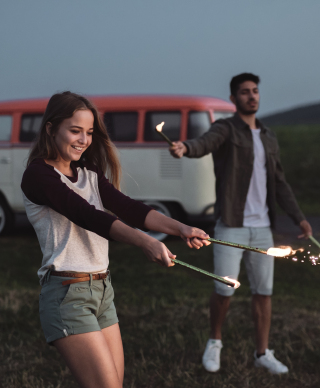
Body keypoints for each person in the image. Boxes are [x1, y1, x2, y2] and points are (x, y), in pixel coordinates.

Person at [21, 91, 210, 388]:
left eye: (89, 133)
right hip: (67, 293)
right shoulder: (38, 176)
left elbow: (128, 207)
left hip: (102, 291)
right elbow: (88, 215)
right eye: (75, 131)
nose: (84, 140)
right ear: (50, 128)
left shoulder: (88, 171)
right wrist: (145, 242)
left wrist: (181, 228)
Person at [169, 73, 313, 375]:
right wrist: (185, 148)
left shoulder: (268, 136)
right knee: (224, 289)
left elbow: (280, 182)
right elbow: (204, 143)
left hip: (262, 229)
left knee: (264, 291)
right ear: (234, 100)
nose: (252, 96)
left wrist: (298, 217)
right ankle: (215, 341)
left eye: (255, 91)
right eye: (245, 92)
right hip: (231, 224)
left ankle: (262, 352)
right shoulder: (226, 129)